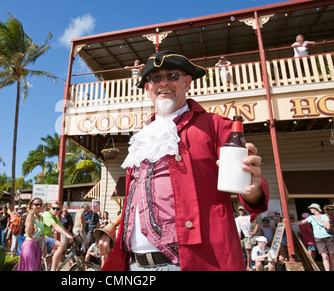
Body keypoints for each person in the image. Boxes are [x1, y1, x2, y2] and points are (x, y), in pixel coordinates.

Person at [98, 50, 268, 271]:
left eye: (173, 76)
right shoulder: (142, 138)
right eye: (155, 78)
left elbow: (249, 183)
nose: (164, 83)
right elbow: (135, 201)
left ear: (187, 83)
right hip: (134, 265)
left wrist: (253, 190)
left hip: (187, 263)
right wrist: (116, 234)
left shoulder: (215, 126)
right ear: (148, 88)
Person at [293, 203, 334, 271]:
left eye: (311, 208)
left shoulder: (324, 216)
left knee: (331, 255)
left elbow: (328, 226)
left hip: (328, 237)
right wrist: (291, 222)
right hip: (318, 239)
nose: (310, 209)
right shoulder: (311, 217)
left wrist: (320, 220)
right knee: (324, 256)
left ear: (316, 209)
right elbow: (302, 222)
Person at [42, 201, 74, 271]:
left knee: (49, 263)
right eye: (54, 208)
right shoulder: (47, 214)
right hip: (42, 238)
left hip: (46, 239)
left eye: (58, 209)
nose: (55, 210)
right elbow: (55, 226)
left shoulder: (55, 218)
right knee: (61, 245)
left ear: (60, 210)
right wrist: (67, 235)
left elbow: (62, 228)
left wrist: (71, 235)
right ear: (50, 208)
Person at [18, 198, 45, 271]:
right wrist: (31, 217)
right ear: (31, 206)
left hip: (38, 245)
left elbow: (42, 234)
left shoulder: (41, 218)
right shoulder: (29, 216)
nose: (39, 206)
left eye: (40, 204)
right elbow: (29, 232)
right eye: (36, 204)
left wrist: (44, 248)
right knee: (31, 269)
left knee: (36, 268)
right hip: (29, 244)